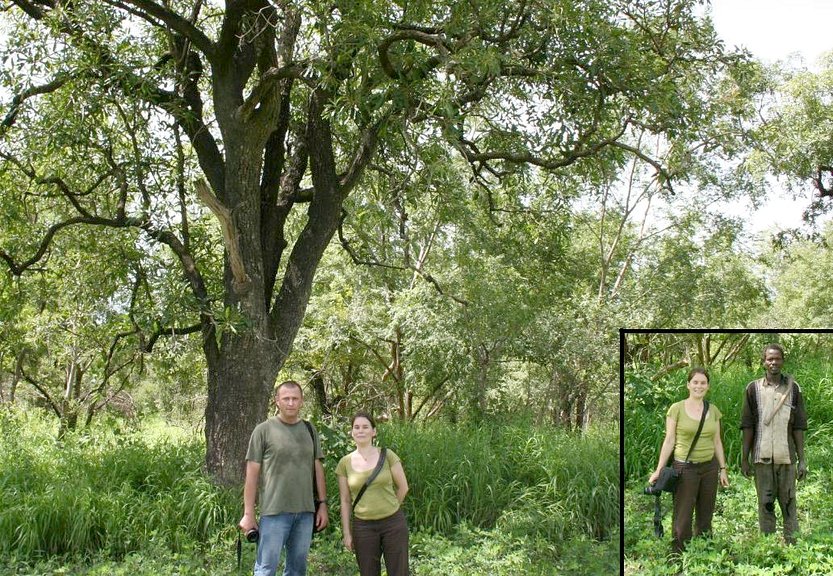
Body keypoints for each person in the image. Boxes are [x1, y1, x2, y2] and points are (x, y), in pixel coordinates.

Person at [239, 380, 329, 576]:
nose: (290, 403)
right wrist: (248, 513)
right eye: (286, 398)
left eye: (295, 398)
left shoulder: (309, 430)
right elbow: (252, 475)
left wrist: (322, 504)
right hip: (274, 513)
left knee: (297, 570)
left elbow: (317, 468)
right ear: (277, 401)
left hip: (305, 513)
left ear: (301, 402)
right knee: (265, 569)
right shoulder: (263, 430)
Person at [648, 367, 729, 553]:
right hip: (685, 468)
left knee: (706, 513)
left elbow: (717, 441)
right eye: (695, 382)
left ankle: (703, 551)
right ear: (688, 384)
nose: (699, 386)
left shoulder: (713, 411)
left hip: (709, 467)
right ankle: (678, 554)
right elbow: (669, 440)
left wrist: (722, 469)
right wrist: (659, 469)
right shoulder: (676, 409)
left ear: (708, 386)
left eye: (703, 383)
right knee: (683, 515)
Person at [741, 343, 807, 544]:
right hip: (761, 458)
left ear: (783, 361)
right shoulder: (753, 389)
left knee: (788, 504)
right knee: (765, 504)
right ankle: (768, 546)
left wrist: (802, 460)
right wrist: (745, 458)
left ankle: (792, 545)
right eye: (769, 359)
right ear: (764, 362)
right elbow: (747, 426)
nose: (773, 362)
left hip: (786, 458)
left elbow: (799, 427)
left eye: (777, 358)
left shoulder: (793, 388)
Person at [336, 411, 410, 576]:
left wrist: (391, 507)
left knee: (400, 572)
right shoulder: (344, 463)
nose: (360, 431)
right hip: (363, 527)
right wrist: (347, 533)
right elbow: (345, 500)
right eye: (356, 427)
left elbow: (403, 487)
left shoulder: (388, 455)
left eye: (365, 427)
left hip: (393, 524)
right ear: (352, 432)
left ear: (374, 431)